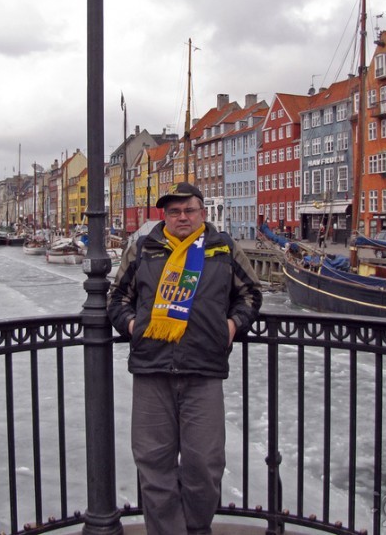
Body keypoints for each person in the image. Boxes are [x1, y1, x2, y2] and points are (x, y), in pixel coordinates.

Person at [107, 182, 262, 535]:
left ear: (202, 213)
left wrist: (232, 326)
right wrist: (133, 326)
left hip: (203, 370)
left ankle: (195, 529)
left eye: (188, 210)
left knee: (205, 464)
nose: (181, 217)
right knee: (154, 465)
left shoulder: (222, 249)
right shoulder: (144, 249)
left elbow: (251, 294)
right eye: (174, 211)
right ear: (164, 216)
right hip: (152, 369)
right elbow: (117, 298)